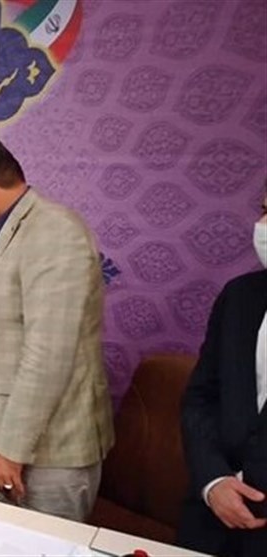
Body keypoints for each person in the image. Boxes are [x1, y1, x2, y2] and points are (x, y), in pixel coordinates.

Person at [0, 134, 114, 522]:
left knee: (44, 546)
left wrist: (12, 449)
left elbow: (48, 354)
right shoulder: (2, 233)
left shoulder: (55, 232)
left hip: (47, 452)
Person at [177, 192, 267, 557]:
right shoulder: (240, 296)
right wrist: (213, 480)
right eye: (265, 209)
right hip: (211, 521)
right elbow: (201, 398)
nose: (262, 225)